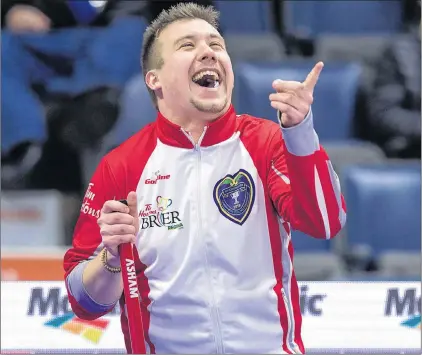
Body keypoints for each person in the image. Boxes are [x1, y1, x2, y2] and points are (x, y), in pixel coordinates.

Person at [63, 3, 346, 354]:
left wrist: (301, 134)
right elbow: (84, 305)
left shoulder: (268, 142)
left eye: (216, 44)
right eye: (187, 45)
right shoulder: (121, 166)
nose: (208, 52)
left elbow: (325, 222)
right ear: (155, 79)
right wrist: (109, 260)